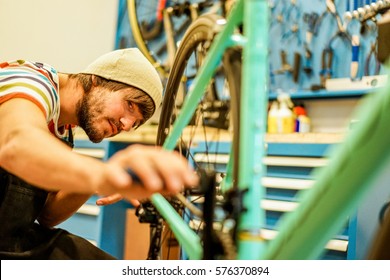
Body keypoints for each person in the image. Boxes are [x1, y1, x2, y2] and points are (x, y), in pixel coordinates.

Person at [0, 48, 199, 259]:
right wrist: (103, 174)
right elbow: (16, 144)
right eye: (129, 105)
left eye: (137, 122)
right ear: (97, 80)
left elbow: (48, 215)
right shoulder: (30, 82)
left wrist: (101, 179)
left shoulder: (63, 129)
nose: (127, 124)